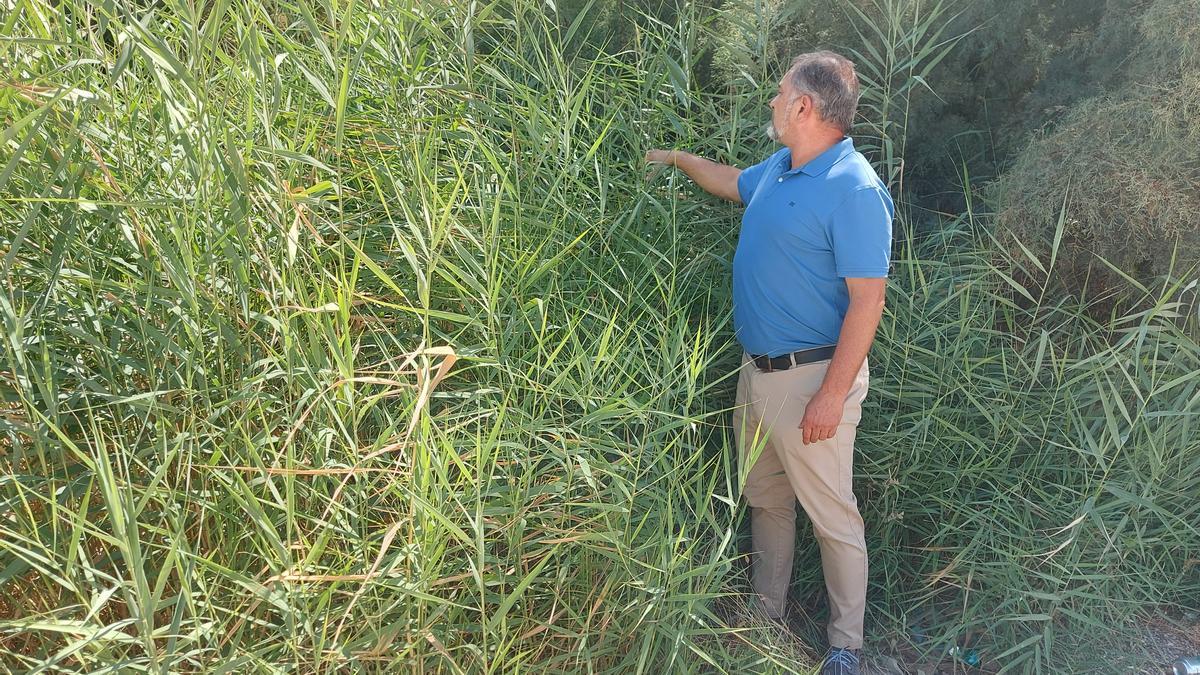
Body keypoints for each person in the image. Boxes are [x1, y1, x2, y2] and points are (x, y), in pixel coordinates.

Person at [644, 50, 893, 675]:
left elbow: (868, 301)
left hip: (813, 378)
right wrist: (677, 160)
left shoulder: (854, 187)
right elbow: (730, 181)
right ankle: (765, 620)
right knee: (769, 501)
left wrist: (833, 394)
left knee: (832, 515)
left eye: (780, 96)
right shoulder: (782, 169)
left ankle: (845, 648)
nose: (774, 105)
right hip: (759, 374)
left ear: (805, 106)